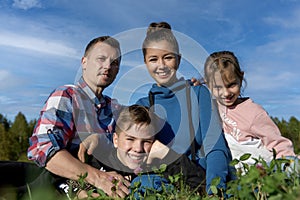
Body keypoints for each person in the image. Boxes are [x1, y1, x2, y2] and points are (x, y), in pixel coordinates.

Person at [134, 22, 234, 194]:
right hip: (163, 178)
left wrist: (215, 190)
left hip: (200, 177)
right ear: (145, 63)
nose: (161, 65)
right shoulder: (143, 105)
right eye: (153, 59)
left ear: (178, 59)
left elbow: (214, 145)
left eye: (168, 57)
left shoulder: (198, 94)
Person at [27, 36, 130, 198]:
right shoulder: (67, 96)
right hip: (60, 182)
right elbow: (45, 150)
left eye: (115, 63)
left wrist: (99, 140)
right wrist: (98, 178)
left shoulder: (115, 109)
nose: (108, 66)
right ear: (84, 62)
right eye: (101, 59)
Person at [64, 104, 206, 198]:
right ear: (115, 140)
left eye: (146, 141)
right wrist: (80, 193)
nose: (138, 149)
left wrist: (166, 154)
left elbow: (202, 185)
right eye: (130, 139)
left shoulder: (156, 167)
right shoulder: (98, 160)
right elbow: (59, 182)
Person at [204, 50, 299, 170]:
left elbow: (276, 142)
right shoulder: (210, 106)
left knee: (292, 166)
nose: (226, 93)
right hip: (232, 169)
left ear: (241, 77)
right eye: (218, 87)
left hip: (259, 167)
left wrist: (287, 162)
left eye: (231, 85)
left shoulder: (253, 112)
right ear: (208, 85)